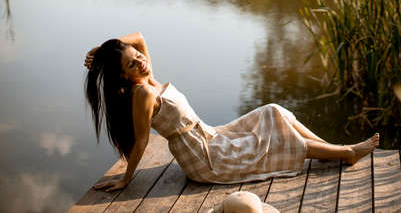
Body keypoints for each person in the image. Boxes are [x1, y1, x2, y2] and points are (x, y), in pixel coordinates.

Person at [84, 32, 379, 192]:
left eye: (138, 58)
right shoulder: (144, 92)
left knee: (273, 111)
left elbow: (138, 37)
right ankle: (346, 152)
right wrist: (125, 179)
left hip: (211, 135)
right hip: (203, 157)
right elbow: (141, 143)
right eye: (132, 64)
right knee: (275, 144)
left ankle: (332, 148)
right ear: (123, 76)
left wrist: (102, 52)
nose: (141, 61)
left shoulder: (148, 77)